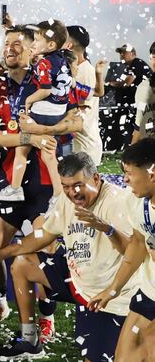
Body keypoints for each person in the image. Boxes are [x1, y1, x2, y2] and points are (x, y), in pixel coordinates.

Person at [0, 153, 136, 359]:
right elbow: (44, 234)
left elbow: (133, 251)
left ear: (96, 179)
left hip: (106, 295)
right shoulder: (67, 201)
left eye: (78, 185)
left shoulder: (119, 202)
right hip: (75, 279)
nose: (72, 192)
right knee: (22, 263)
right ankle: (30, 341)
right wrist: (2, 253)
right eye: (65, 186)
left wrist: (106, 228)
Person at [0, 27, 81, 325]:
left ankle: (46, 315)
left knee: (45, 251)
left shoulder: (54, 77)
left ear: (33, 49)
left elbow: (76, 121)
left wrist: (42, 132)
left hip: (48, 180)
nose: (9, 49)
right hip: (10, 179)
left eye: (18, 44)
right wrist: (27, 138)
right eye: (6, 43)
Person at [88, 138, 155, 361]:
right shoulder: (135, 201)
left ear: (152, 174)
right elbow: (137, 243)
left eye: (130, 173)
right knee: (124, 357)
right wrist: (113, 290)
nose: (124, 179)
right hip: (149, 291)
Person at [0, 20, 73, 203]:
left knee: (23, 150)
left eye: (36, 41)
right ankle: (58, 194)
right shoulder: (62, 61)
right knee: (48, 152)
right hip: (56, 112)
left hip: (43, 113)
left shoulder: (43, 64)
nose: (34, 45)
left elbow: (45, 90)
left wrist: (29, 101)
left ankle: (15, 188)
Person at [66, 25, 104, 163]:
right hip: (79, 145)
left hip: (84, 147)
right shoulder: (73, 71)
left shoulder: (84, 71)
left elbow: (81, 111)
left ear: (69, 45)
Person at [132, 42, 155, 143]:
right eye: (154, 57)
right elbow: (139, 124)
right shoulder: (143, 88)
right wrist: (130, 154)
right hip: (149, 149)